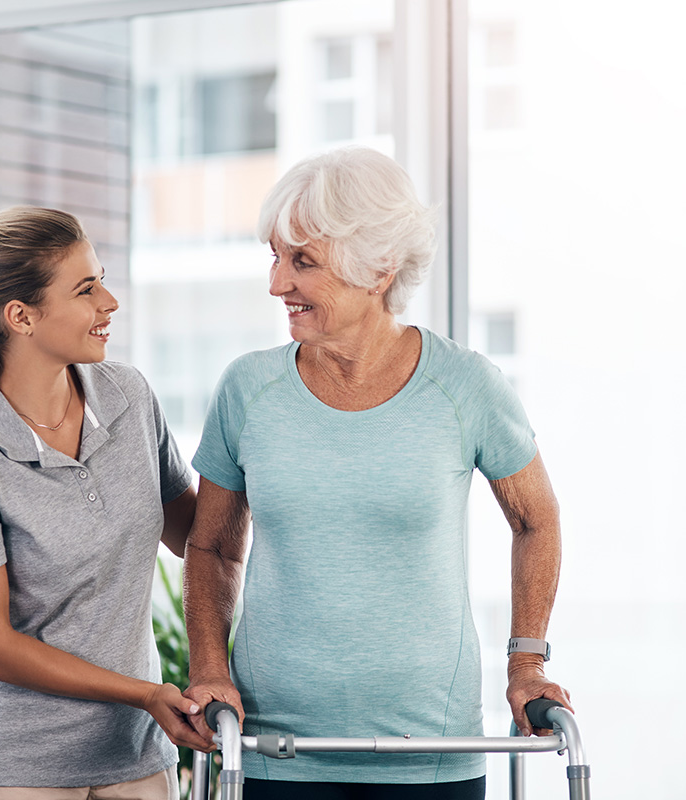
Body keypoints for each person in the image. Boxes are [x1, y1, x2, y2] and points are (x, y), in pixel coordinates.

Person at [182, 147, 572, 800]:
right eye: (274, 257)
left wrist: (527, 664)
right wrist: (208, 668)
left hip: (434, 750)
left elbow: (536, 518)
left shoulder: (465, 386)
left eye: (302, 261)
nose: (278, 283)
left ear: (380, 267)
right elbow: (213, 544)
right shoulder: (248, 389)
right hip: (276, 750)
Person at [0, 206, 209, 800]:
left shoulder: (129, 395)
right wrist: (144, 694)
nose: (110, 303)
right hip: (22, 773)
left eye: (101, 279)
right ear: (21, 315)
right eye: (86, 288)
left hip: (136, 758)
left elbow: (198, 534)